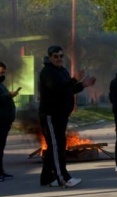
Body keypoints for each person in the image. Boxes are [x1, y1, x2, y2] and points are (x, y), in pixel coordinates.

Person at [39, 45, 96, 187]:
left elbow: (68, 90)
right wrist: (74, 79)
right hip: (51, 115)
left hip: (61, 115)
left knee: (55, 147)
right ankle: (63, 178)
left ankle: (46, 178)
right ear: (50, 57)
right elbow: (57, 90)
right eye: (55, 56)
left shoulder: (62, 71)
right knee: (57, 146)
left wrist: (83, 84)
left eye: (61, 56)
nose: (59, 59)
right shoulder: (47, 72)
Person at [0, 61, 19, 182]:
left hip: (4, 121)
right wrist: (9, 95)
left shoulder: (1, 85)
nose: (2, 75)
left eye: (3, 73)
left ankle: (1, 171)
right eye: (1, 72)